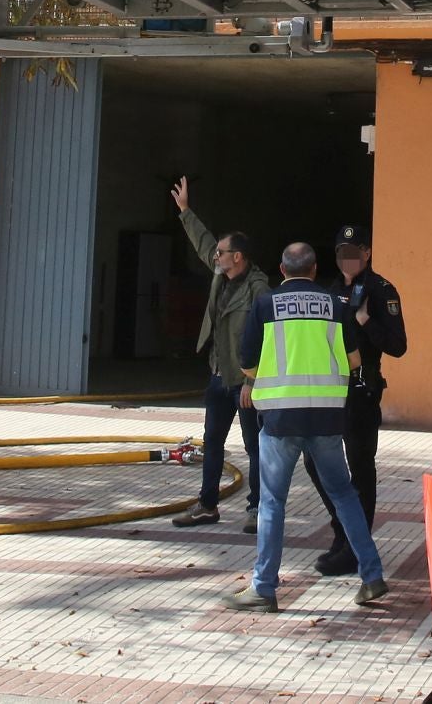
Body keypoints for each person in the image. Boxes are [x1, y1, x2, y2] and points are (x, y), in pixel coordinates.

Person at [226, 242, 389, 612]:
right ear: (315, 270)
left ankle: (264, 587)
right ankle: (372, 575)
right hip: (328, 418)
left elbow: (247, 364)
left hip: (280, 420)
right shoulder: (336, 306)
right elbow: (353, 360)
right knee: (345, 495)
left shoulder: (265, 305)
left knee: (272, 503)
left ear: (281, 271)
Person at [302, 223, 407, 576]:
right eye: (341, 254)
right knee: (315, 463)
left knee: (361, 469)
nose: (348, 259)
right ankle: (342, 532)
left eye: (354, 252)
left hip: (361, 392)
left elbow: (398, 346)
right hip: (329, 392)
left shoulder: (380, 290)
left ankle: (353, 547)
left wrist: (365, 321)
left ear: (367, 253)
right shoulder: (329, 292)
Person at [169, 176, 268, 532]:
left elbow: (267, 338)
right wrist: (184, 211)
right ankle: (207, 505)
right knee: (212, 442)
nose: (216, 256)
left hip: (244, 382)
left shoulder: (259, 288)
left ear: (237, 257)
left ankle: (257, 509)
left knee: (255, 448)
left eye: (223, 253)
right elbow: (204, 243)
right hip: (217, 376)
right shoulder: (219, 273)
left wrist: (251, 380)